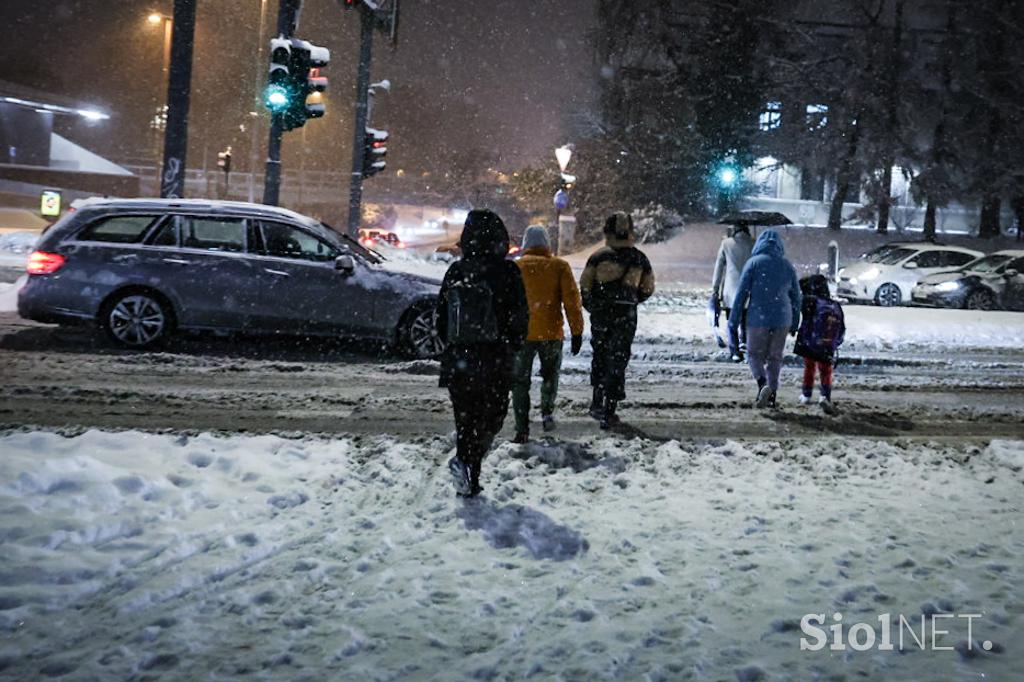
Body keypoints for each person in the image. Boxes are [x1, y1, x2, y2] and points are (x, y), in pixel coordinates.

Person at [435, 209, 528, 497]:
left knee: (466, 421)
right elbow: (519, 317)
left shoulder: (456, 271)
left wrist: (455, 345)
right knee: (492, 418)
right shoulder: (508, 272)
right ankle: (468, 465)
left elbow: (441, 319)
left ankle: (468, 473)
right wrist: (513, 344)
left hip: (459, 362)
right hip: (495, 360)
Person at [579, 212, 656, 429]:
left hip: (602, 314)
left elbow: (585, 285)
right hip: (626, 315)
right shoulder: (640, 259)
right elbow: (648, 288)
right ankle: (609, 409)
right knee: (618, 359)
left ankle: (596, 400)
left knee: (600, 354)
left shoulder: (598, 257)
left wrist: (593, 305)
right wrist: (632, 300)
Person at [511, 225, 585, 443]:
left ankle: (521, 428)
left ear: (525, 244)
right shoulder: (559, 266)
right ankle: (547, 412)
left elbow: (507, 303)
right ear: (547, 244)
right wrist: (577, 331)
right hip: (551, 333)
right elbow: (572, 302)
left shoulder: (516, 267)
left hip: (522, 334)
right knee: (550, 375)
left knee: (519, 381)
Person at [729, 229, 801, 409]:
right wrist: (795, 321)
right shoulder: (787, 265)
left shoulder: (753, 263)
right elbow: (796, 296)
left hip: (758, 317)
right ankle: (772, 396)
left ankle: (763, 384)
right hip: (783, 317)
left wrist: (734, 319)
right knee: (775, 357)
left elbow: (741, 294)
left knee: (754, 354)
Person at [794, 274, 846, 415]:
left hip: (811, 342)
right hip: (827, 344)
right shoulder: (834, 305)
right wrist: (835, 342)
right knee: (826, 371)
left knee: (809, 368)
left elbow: (802, 314)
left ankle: (806, 394)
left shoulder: (810, 301)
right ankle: (825, 396)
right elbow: (841, 329)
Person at [711, 223, 754, 361]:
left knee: (732, 322)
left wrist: (715, 288)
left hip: (731, 290)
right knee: (746, 320)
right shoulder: (754, 243)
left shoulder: (726, 244)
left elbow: (719, 267)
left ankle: (735, 351)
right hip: (749, 288)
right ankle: (745, 344)